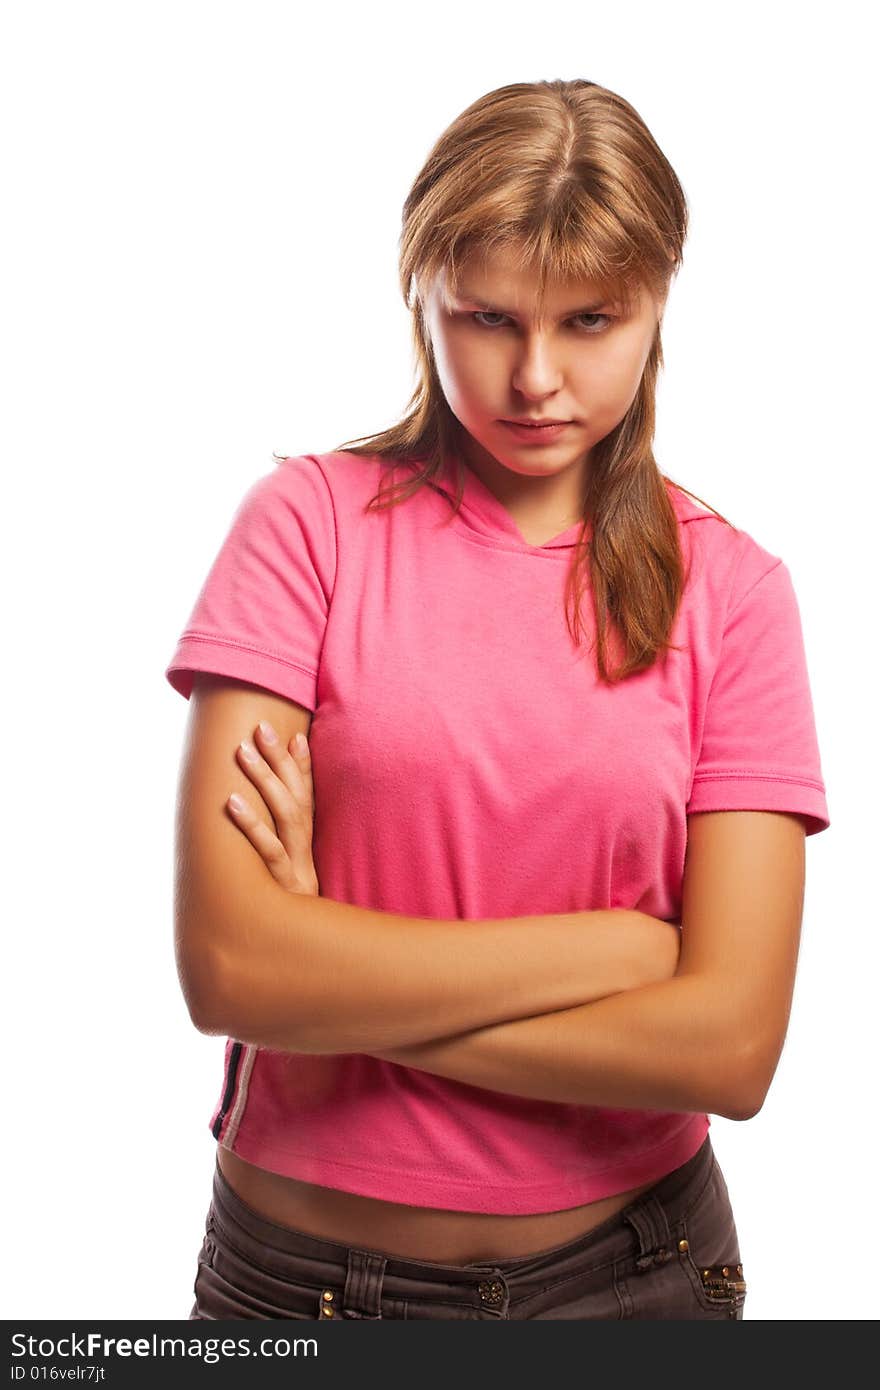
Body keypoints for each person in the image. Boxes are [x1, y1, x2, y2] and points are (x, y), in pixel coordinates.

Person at [165, 77, 830, 1321]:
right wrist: (617, 953)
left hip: (638, 1279)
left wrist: (341, 995)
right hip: (302, 1287)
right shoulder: (306, 531)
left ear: (657, 303)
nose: (536, 377)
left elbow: (730, 1048)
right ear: (420, 293)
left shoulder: (734, 594)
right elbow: (231, 966)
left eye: (590, 320)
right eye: (486, 317)